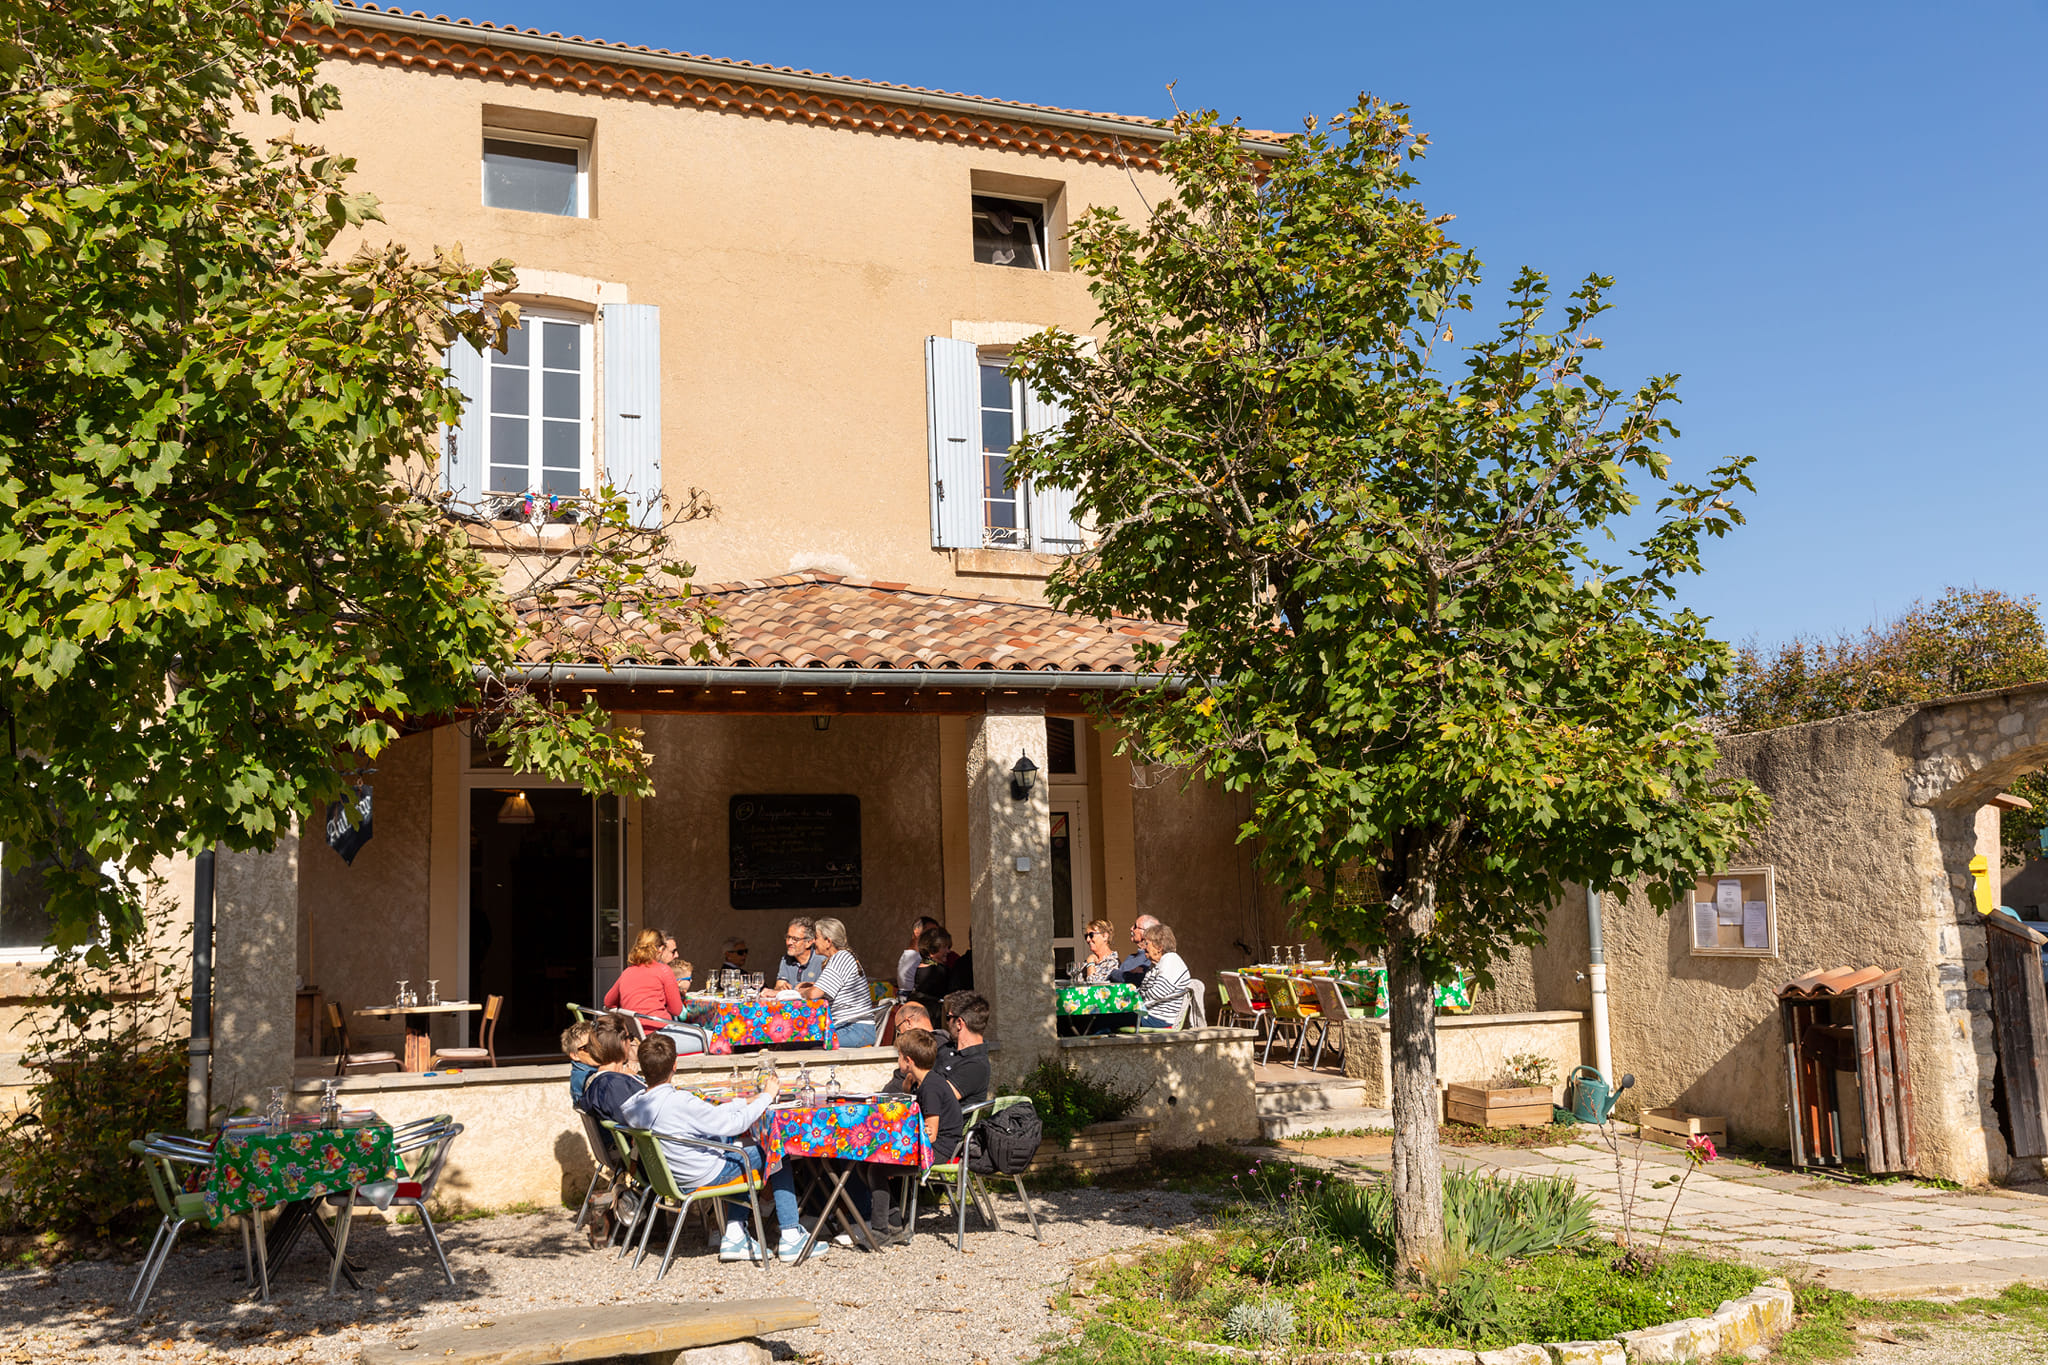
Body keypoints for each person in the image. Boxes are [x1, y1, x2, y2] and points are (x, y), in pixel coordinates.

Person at [620, 1032, 825, 1264]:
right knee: (776, 1151)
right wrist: (766, 1097)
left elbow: (710, 1113)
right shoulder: (679, 1103)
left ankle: (736, 1234)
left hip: (672, 1177)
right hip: (704, 1174)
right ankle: (790, 1236)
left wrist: (746, 1101)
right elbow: (734, 1124)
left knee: (737, 1152)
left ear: (642, 1067)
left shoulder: (636, 1106)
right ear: (675, 1065)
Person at [862, 1028, 962, 1243]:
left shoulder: (931, 1088)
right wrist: (907, 1090)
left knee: (876, 1169)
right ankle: (895, 1224)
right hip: (932, 1146)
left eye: (899, 1056)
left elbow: (931, 1134)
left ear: (908, 1061)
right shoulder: (923, 1082)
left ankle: (880, 1231)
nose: (897, 1060)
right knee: (871, 1161)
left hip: (938, 1150)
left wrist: (898, 1149)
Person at [798, 917, 878, 1048]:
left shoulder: (841, 958)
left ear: (828, 941)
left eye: (816, 938)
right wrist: (811, 987)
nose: (813, 942)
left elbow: (814, 994)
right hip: (850, 1028)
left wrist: (799, 992)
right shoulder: (841, 957)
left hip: (854, 1030)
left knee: (805, 1043)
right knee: (803, 1039)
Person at [607, 928, 684, 1023]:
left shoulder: (627, 972)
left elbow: (608, 1002)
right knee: (705, 1035)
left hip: (634, 1032)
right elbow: (676, 1010)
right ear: (660, 949)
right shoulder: (664, 970)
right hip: (660, 1030)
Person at [580, 1024, 646, 1127]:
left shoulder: (603, 1081)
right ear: (622, 1044)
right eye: (630, 1038)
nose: (631, 1042)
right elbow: (636, 1121)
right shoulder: (613, 1084)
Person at [937, 991, 991, 1109]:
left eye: (948, 1017)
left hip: (940, 1125)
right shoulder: (946, 1048)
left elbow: (937, 1098)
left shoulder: (976, 1065)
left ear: (959, 1023)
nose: (946, 1023)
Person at [1137, 921, 1193, 1028]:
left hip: (1159, 1019)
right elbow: (1143, 989)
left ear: (1159, 947)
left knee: (1106, 1020)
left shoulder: (1171, 960)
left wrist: (1134, 1000)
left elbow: (1158, 992)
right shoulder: (1156, 965)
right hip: (1149, 1014)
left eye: (1147, 943)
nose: (1144, 947)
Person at [774, 917, 826, 989]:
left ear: (809, 942)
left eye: (795, 939)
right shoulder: (786, 960)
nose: (789, 942)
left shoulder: (822, 961)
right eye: (788, 937)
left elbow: (827, 989)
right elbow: (778, 985)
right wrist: (781, 988)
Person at [911, 925, 956, 1007]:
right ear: (932, 950)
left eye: (948, 947)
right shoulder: (938, 971)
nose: (948, 951)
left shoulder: (918, 967)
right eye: (944, 947)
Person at [1074, 919, 1123, 984]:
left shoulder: (1113, 963)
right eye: (1086, 936)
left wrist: (1091, 963)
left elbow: (1094, 988)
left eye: (1091, 935)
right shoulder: (1087, 962)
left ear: (1105, 936)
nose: (1088, 940)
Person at [1119, 914, 1161, 990]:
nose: (1131, 928)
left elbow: (1134, 980)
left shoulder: (1152, 958)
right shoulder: (1131, 957)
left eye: (1135, 926)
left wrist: (1114, 974)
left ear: (1146, 932)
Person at [561, 1021, 597, 1107]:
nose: (596, 1049)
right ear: (575, 1055)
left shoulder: (579, 1074)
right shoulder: (590, 1079)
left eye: (598, 1043)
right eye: (588, 1047)